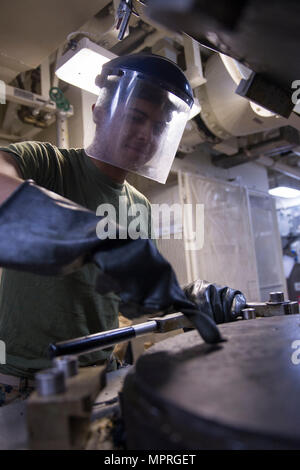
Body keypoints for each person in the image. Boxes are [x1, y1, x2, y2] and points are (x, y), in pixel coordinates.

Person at [0, 53, 196, 406]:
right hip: (23, 380)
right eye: (136, 117)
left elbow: (123, 299)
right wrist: (91, 238)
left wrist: (183, 298)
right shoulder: (48, 164)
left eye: (158, 127)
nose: (145, 134)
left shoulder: (140, 206)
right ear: (99, 112)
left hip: (101, 373)